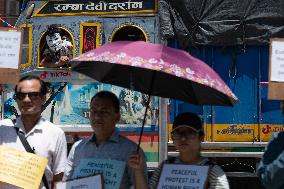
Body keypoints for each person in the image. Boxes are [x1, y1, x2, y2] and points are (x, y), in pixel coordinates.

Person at [63, 91, 148, 189]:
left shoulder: (131, 151)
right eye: (94, 111)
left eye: (104, 111)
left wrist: (138, 171)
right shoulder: (77, 148)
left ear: (117, 116)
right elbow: (66, 185)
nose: (97, 116)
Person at [128, 112, 229, 189]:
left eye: (189, 133)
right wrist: (138, 170)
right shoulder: (165, 167)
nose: (183, 138)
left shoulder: (213, 172)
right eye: (178, 133)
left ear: (201, 137)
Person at [0, 75, 67, 189]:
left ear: (43, 98)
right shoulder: (3, 128)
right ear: (16, 99)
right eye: (21, 95)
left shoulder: (56, 134)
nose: (26, 100)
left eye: (33, 95)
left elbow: (58, 179)